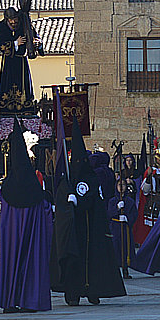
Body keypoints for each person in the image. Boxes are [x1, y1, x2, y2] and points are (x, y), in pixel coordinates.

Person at [53, 111, 125, 307]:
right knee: (73, 259)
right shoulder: (67, 181)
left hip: (90, 229)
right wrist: (68, 200)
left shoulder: (92, 179)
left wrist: (85, 200)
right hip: (74, 230)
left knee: (94, 260)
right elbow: (61, 201)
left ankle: (93, 290)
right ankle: (73, 293)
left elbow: (95, 200)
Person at [0, 125, 53, 314]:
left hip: (10, 238)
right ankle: (29, 300)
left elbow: (0, 217)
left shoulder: (5, 189)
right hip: (29, 236)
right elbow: (45, 213)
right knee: (30, 260)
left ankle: (9, 301)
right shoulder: (35, 189)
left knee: (10, 261)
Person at [108, 176, 137, 279]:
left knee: (125, 248)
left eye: (123, 185)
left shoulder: (130, 201)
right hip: (115, 227)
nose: (121, 187)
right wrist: (117, 208)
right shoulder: (112, 201)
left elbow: (134, 214)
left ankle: (125, 269)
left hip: (125, 228)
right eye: (119, 185)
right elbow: (108, 213)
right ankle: (114, 271)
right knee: (115, 248)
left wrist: (127, 218)